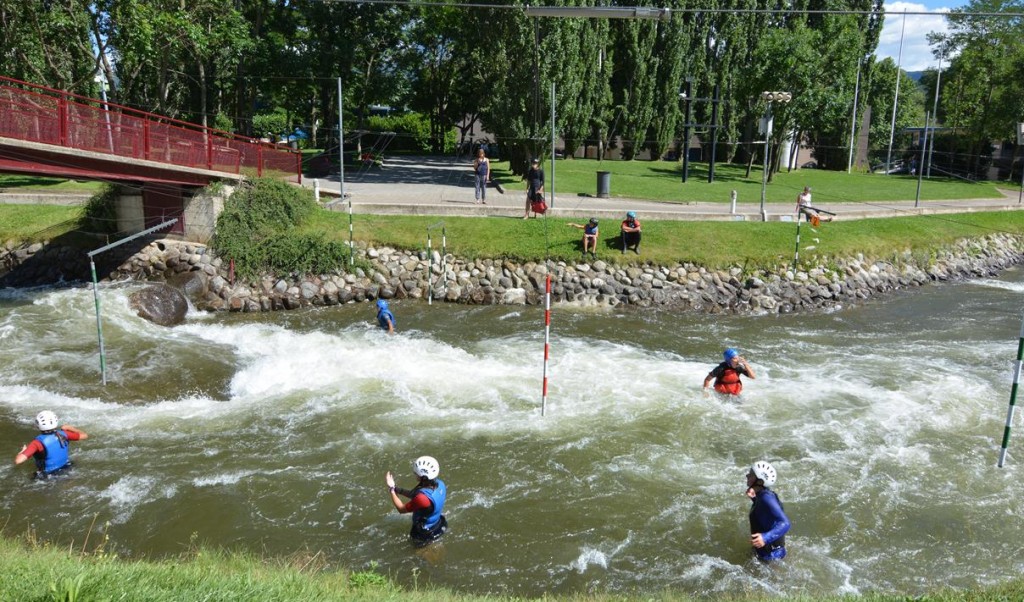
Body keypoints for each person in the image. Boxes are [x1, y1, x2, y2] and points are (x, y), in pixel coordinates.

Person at [385, 455, 448, 546]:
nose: (414, 475)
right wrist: (396, 489)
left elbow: (401, 509)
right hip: (438, 524)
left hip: (424, 532)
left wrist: (391, 489)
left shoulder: (422, 498)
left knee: (421, 554)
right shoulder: (439, 484)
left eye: (416, 473)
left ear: (423, 477)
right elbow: (415, 495)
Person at [14, 410, 89, 479]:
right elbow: (85, 435)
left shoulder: (36, 443)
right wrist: (70, 428)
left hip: (49, 476)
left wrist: (23, 451)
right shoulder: (65, 434)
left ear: (37, 424)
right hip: (67, 468)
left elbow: (18, 461)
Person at [746, 460, 790, 562]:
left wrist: (765, 538)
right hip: (764, 550)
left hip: (772, 555)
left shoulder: (767, 498)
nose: (747, 476)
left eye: (751, 474)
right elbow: (766, 513)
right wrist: (754, 499)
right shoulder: (762, 495)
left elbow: (785, 523)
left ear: (760, 481)